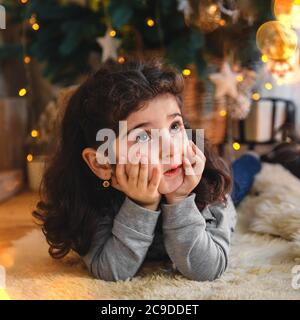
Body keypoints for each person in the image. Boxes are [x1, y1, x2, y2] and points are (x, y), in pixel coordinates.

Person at [33, 59, 238, 282]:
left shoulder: (208, 182)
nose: (170, 148)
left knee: (242, 179)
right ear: (100, 163)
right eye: (142, 136)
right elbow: (111, 270)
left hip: (223, 184)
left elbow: (207, 269)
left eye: (174, 126)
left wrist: (180, 200)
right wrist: (142, 205)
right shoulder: (90, 201)